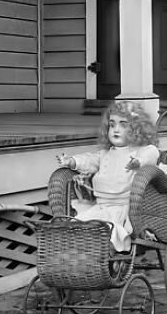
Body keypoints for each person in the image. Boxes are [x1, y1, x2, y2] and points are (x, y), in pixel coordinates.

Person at [56, 101, 160, 253]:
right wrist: (72, 161)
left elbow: (152, 153)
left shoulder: (140, 151)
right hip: (101, 207)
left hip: (126, 210)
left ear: (137, 129)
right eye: (112, 125)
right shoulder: (105, 154)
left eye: (123, 125)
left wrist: (138, 162)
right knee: (80, 227)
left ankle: (105, 257)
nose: (116, 130)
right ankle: (86, 260)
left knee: (109, 232)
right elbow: (89, 160)